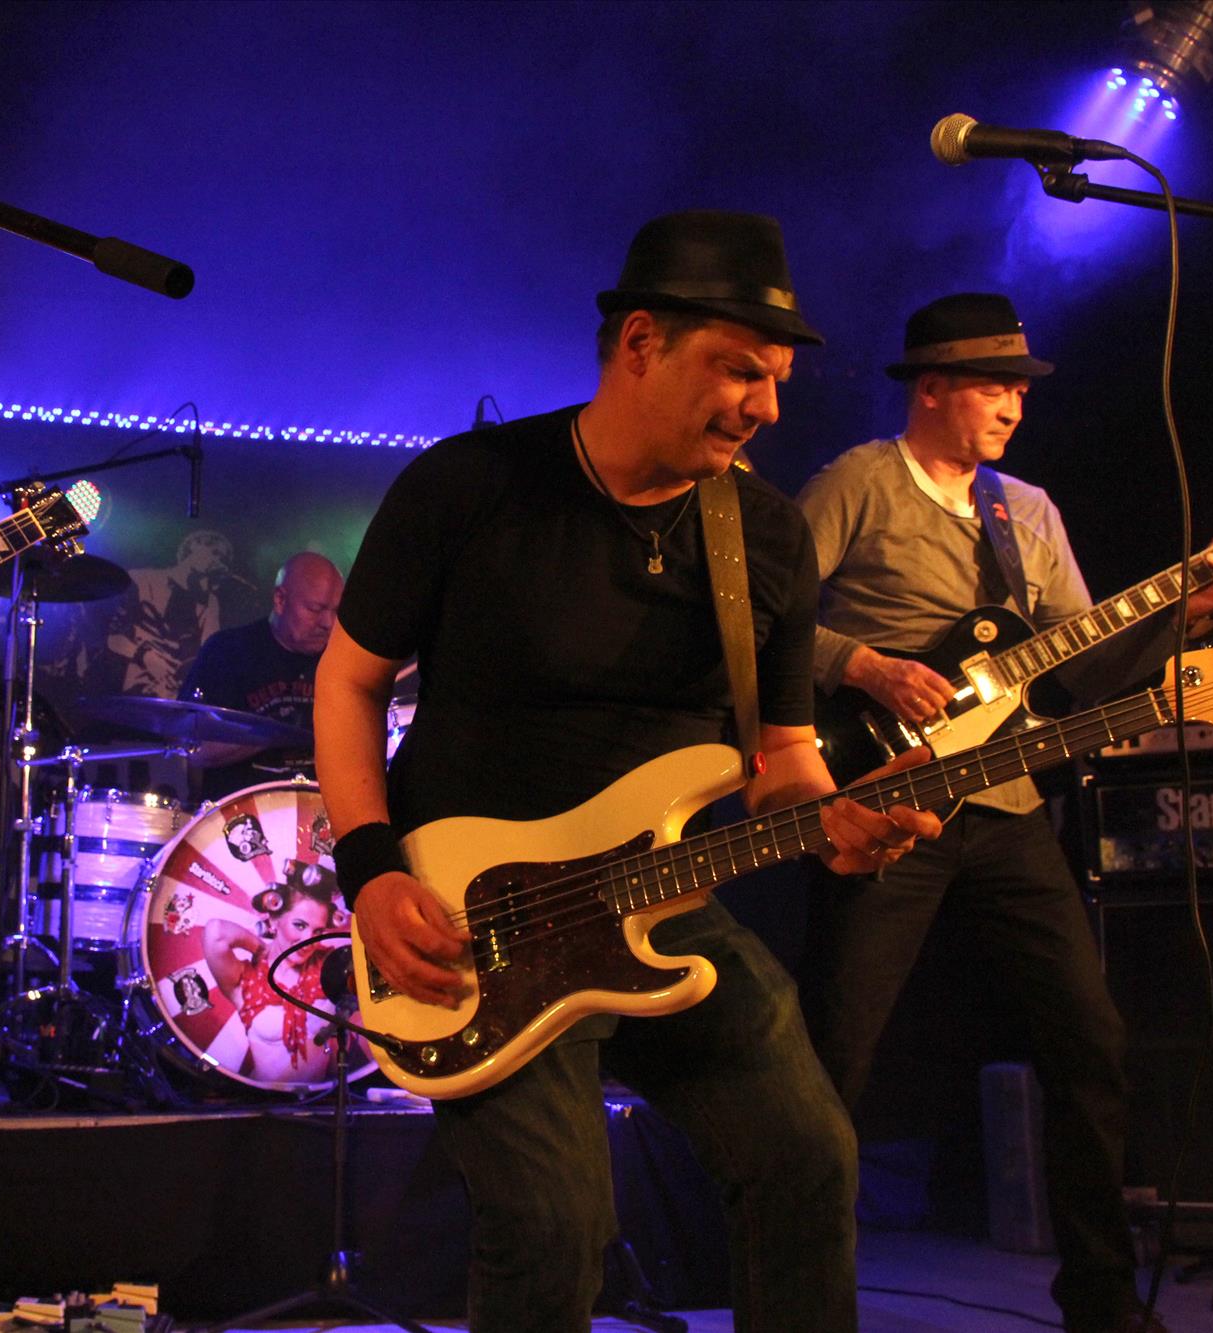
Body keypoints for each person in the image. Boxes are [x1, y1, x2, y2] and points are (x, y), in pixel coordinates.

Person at [313, 210, 942, 1332]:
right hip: (476, 920)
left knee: (808, 1157)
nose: (766, 406)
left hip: (662, 901)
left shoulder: (764, 536)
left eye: (778, 378)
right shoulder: (471, 483)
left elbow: (781, 762)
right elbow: (349, 681)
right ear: (641, 343)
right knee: (554, 1220)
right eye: (740, 370)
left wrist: (835, 822)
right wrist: (371, 872)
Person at [794, 292, 1213, 1333]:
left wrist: (1187, 612)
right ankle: (801, 1301)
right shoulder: (855, 483)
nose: (1012, 404)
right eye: (992, 386)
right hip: (884, 799)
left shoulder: (1028, 511)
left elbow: (1082, 669)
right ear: (930, 389)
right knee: (835, 1051)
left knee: (1089, 1040)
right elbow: (764, 624)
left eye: (1019, 388)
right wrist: (864, 664)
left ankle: (1099, 1295)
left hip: (1005, 803)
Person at [178, 550, 343, 799]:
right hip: (244, 814)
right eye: (315, 609)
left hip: (321, 811)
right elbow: (196, 749)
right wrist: (277, 731)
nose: (328, 623)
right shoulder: (228, 651)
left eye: (336, 611)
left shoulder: (341, 661)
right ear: (280, 600)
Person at [199, 865, 343, 1084]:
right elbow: (215, 932)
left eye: (318, 931)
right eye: (299, 925)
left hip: (323, 1099)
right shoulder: (246, 982)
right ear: (275, 921)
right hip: (266, 1100)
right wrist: (260, 949)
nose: (308, 940)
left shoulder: (330, 966)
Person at [106, 528, 234, 696]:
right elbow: (111, 637)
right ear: (194, 545)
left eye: (221, 559)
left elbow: (208, 652)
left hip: (176, 692)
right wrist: (144, 656)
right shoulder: (141, 579)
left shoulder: (209, 602)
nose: (217, 561)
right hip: (135, 687)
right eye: (214, 552)